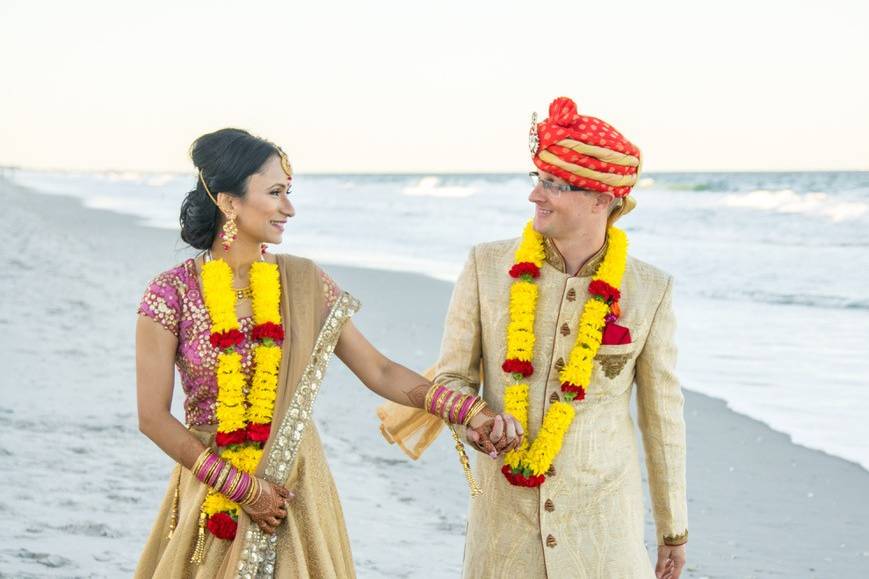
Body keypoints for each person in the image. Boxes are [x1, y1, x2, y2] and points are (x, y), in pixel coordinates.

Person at [133, 128, 522, 578]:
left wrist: (468, 410)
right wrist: (240, 487)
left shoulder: (303, 282)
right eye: (276, 193)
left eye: (289, 193)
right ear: (229, 201)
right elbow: (152, 417)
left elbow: (378, 369)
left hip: (293, 487)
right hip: (213, 487)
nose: (289, 208)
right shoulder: (172, 292)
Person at [384, 97, 689, 578]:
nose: (536, 196)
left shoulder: (650, 289)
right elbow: (452, 379)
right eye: (538, 179)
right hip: (505, 529)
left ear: (601, 199)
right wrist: (476, 421)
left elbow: (662, 415)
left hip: (603, 530)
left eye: (554, 184)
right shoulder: (487, 267)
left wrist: (674, 529)